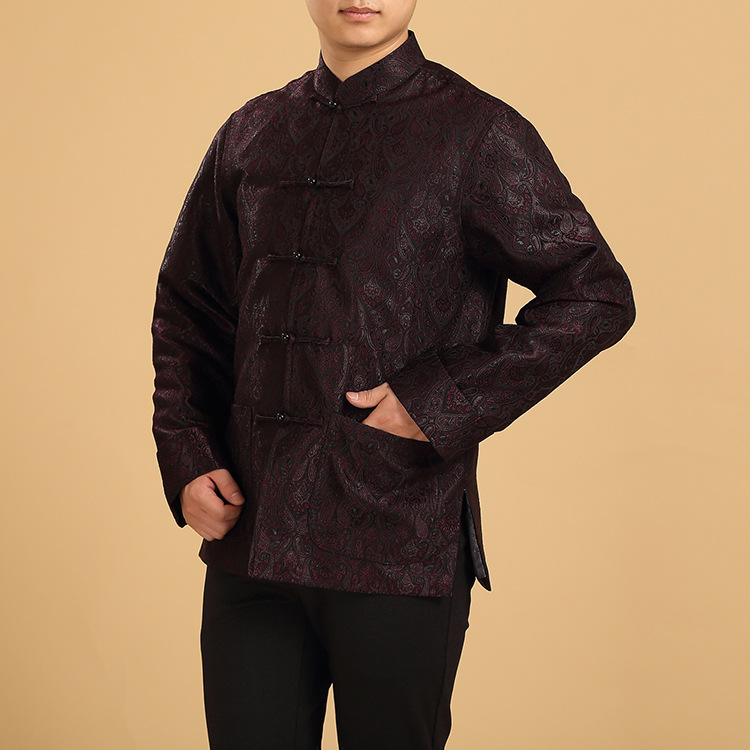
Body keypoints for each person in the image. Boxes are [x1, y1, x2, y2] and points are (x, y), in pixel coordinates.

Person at [151, 1, 636, 747]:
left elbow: (596, 293)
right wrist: (188, 455)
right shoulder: (252, 132)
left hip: (399, 544)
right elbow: (190, 308)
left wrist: (438, 400)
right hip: (253, 540)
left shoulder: (477, 133)